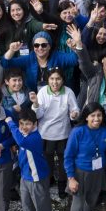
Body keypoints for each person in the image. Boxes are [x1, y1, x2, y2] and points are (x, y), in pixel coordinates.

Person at [5, 108, 55, 211]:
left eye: (27, 124)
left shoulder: (35, 137)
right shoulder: (24, 134)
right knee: (26, 202)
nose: (24, 127)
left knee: (41, 202)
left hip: (36, 176)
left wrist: (11, 123)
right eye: (21, 124)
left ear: (35, 124)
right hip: (25, 176)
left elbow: (21, 141)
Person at [32, 67, 80, 199]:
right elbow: (38, 114)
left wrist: (74, 114)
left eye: (58, 79)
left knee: (63, 159)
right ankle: (49, 179)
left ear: (63, 80)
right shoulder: (42, 92)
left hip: (63, 133)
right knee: (47, 158)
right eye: (52, 79)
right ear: (48, 80)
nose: (55, 82)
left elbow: (75, 109)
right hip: (45, 133)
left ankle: (62, 183)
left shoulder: (68, 92)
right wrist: (35, 105)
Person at [0, 29, 80, 93]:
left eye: (44, 45)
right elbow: (5, 63)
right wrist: (11, 50)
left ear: (49, 46)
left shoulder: (57, 57)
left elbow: (75, 60)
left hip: (54, 96)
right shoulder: (28, 59)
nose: (40, 48)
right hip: (33, 98)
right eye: (36, 45)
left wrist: (76, 45)